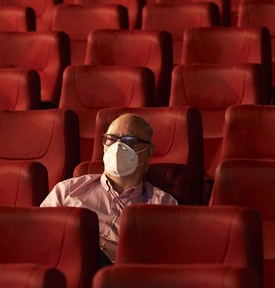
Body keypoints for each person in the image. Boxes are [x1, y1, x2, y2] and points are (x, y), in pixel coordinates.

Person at [41, 113, 178, 264]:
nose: (117, 147)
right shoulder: (67, 190)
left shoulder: (162, 204)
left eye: (129, 141)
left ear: (149, 152)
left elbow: (162, 261)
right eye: (111, 139)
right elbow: (39, 235)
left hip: (116, 278)